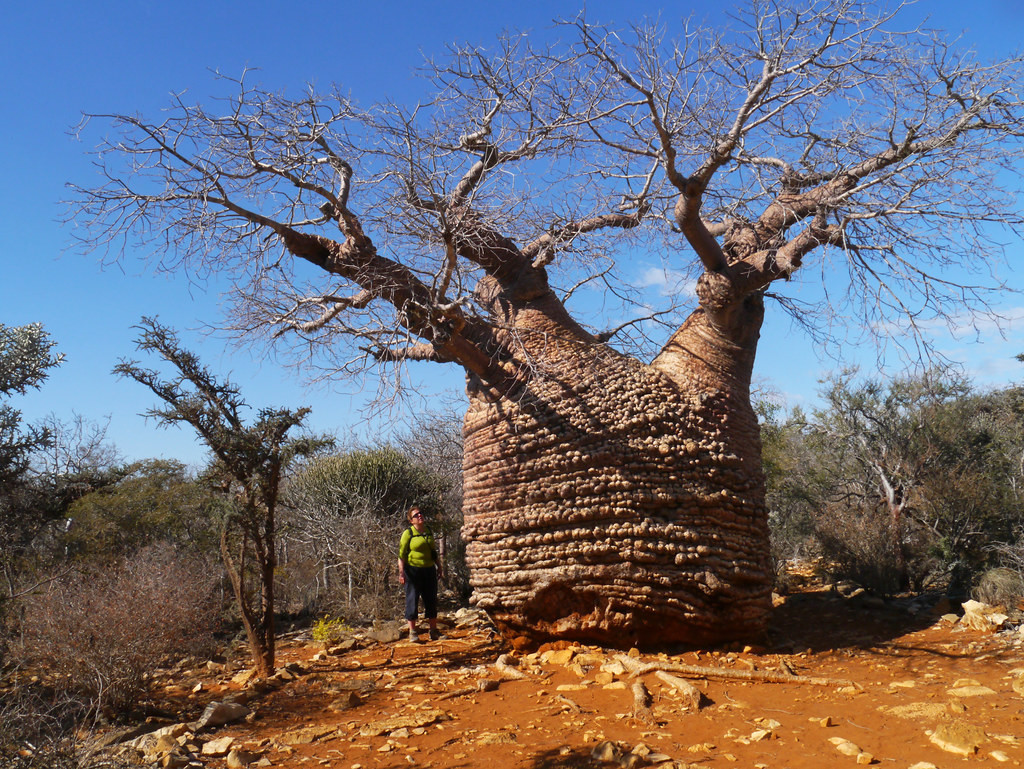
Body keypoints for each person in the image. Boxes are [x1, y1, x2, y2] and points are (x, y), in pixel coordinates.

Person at [397, 506, 443, 642]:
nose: (420, 516)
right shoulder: (408, 533)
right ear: (411, 521)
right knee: (412, 600)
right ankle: (412, 632)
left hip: (429, 570)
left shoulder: (428, 531)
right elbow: (401, 555)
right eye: (416, 515)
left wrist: (439, 567)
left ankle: (433, 631)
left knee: (431, 600)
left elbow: (433, 552)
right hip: (413, 571)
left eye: (420, 513)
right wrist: (401, 573)